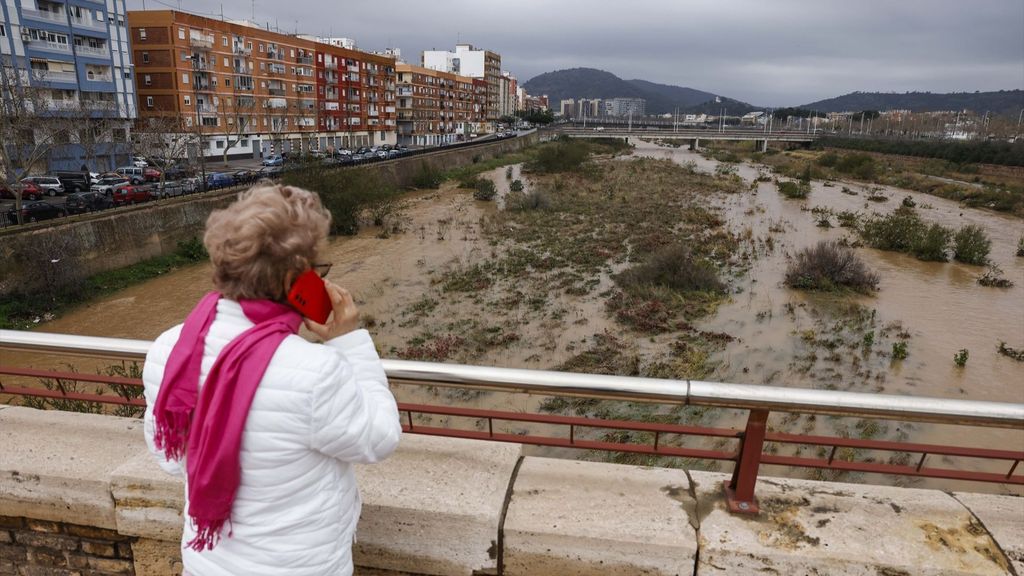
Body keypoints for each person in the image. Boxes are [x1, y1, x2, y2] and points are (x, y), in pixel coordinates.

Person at [142, 184, 401, 576]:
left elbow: (170, 458)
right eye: (317, 269)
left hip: (207, 564)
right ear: (296, 281)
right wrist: (350, 342)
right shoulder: (315, 371)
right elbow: (379, 438)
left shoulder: (170, 349)